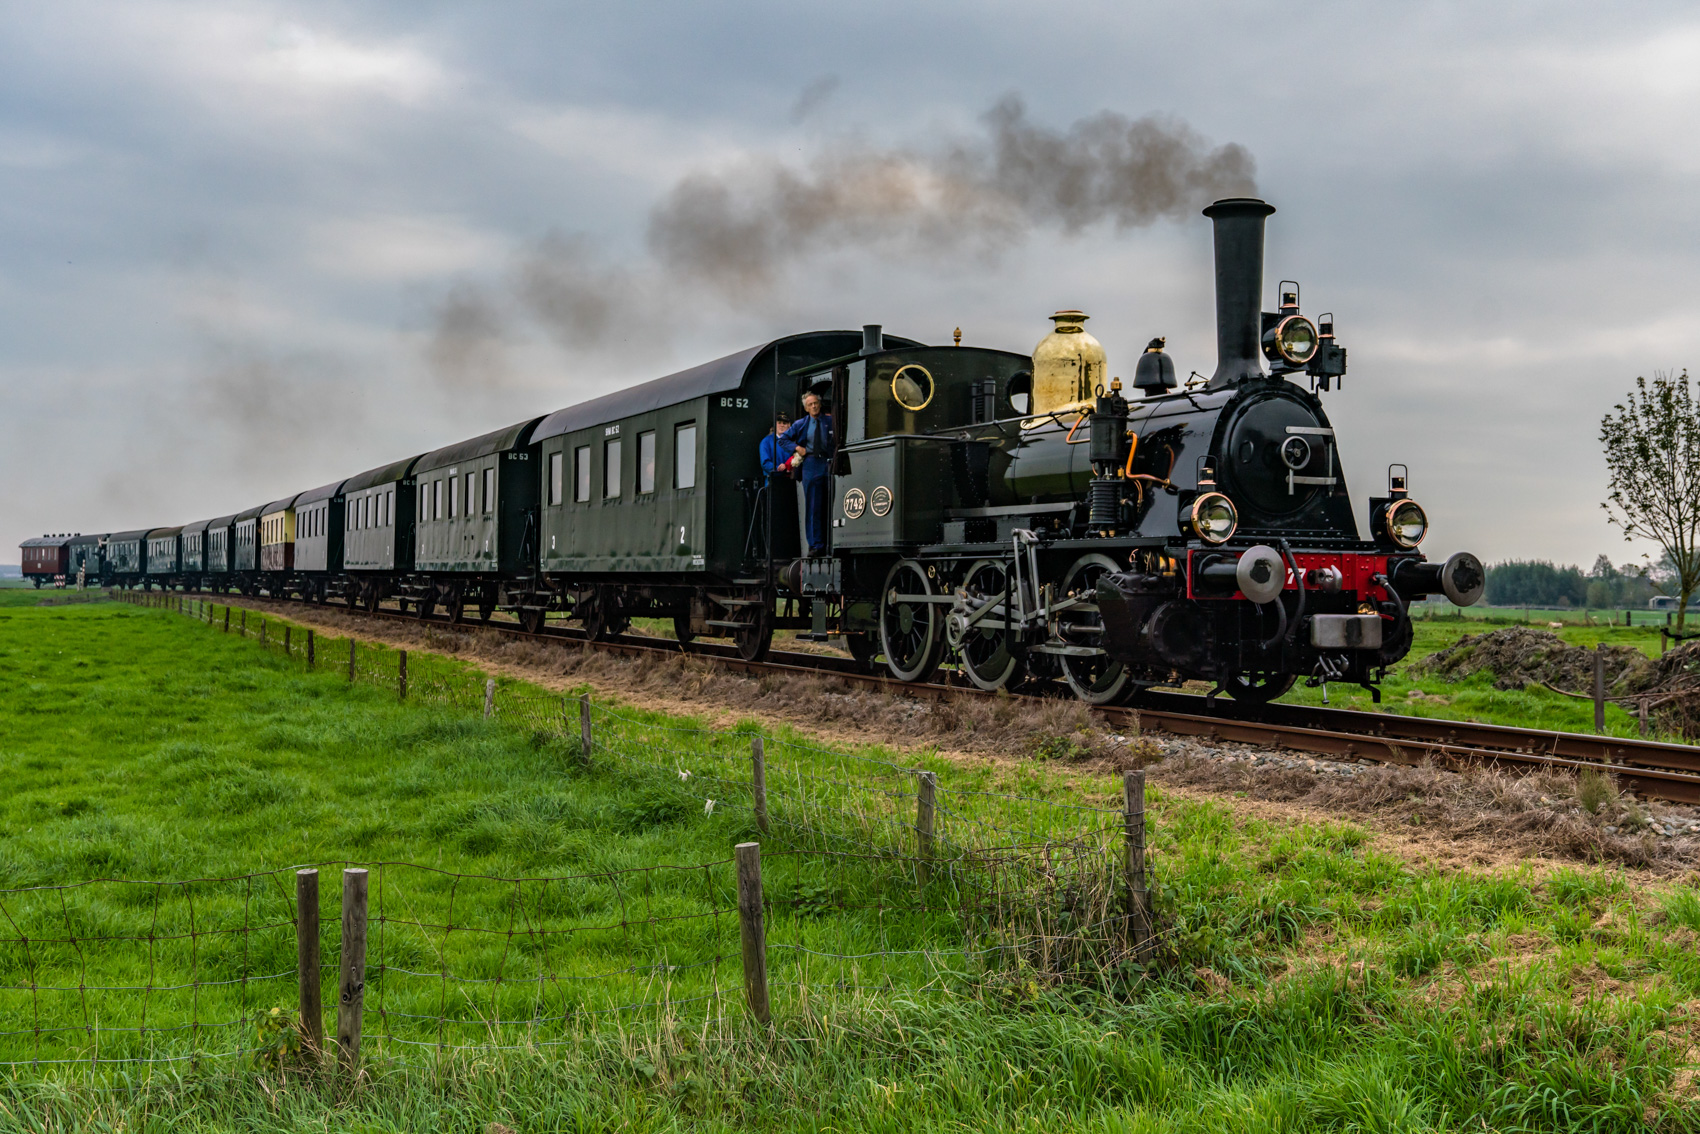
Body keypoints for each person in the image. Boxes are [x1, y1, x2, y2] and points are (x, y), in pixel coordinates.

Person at [783, 390, 834, 556]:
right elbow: (782, 439)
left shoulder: (830, 421)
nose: (814, 406)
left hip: (827, 462)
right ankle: (815, 544)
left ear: (820, 404)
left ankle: (829, 542)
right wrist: (797, 448)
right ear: (806, 408)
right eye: (810, 404)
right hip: (811, 464)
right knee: (813, 506)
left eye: (816, 403)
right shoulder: (801, 424)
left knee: (829, 504)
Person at [759, 410, 796, 476]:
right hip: (773, 480)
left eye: (784, 423)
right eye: (779, 422)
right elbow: (765, 463)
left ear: (789, 426)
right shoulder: (766, 441)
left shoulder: (793, 442)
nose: (782, 425)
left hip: (790, 479)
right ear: (775, 425)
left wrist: (788, 467)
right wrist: (779, 468)